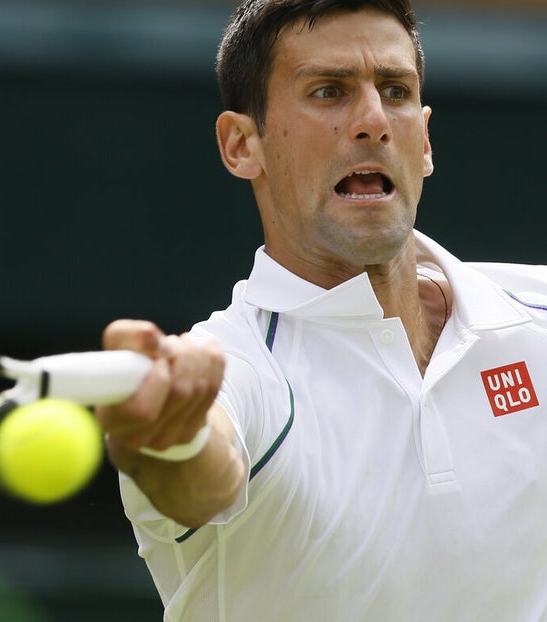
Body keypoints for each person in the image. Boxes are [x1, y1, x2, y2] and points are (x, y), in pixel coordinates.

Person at [94, 0, 547, 619]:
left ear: (425, 141)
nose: (373, 120)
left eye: (395, 91)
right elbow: (202, 475)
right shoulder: (240, 372)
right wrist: (166, 441)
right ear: (240, 144)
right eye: (329, 92)